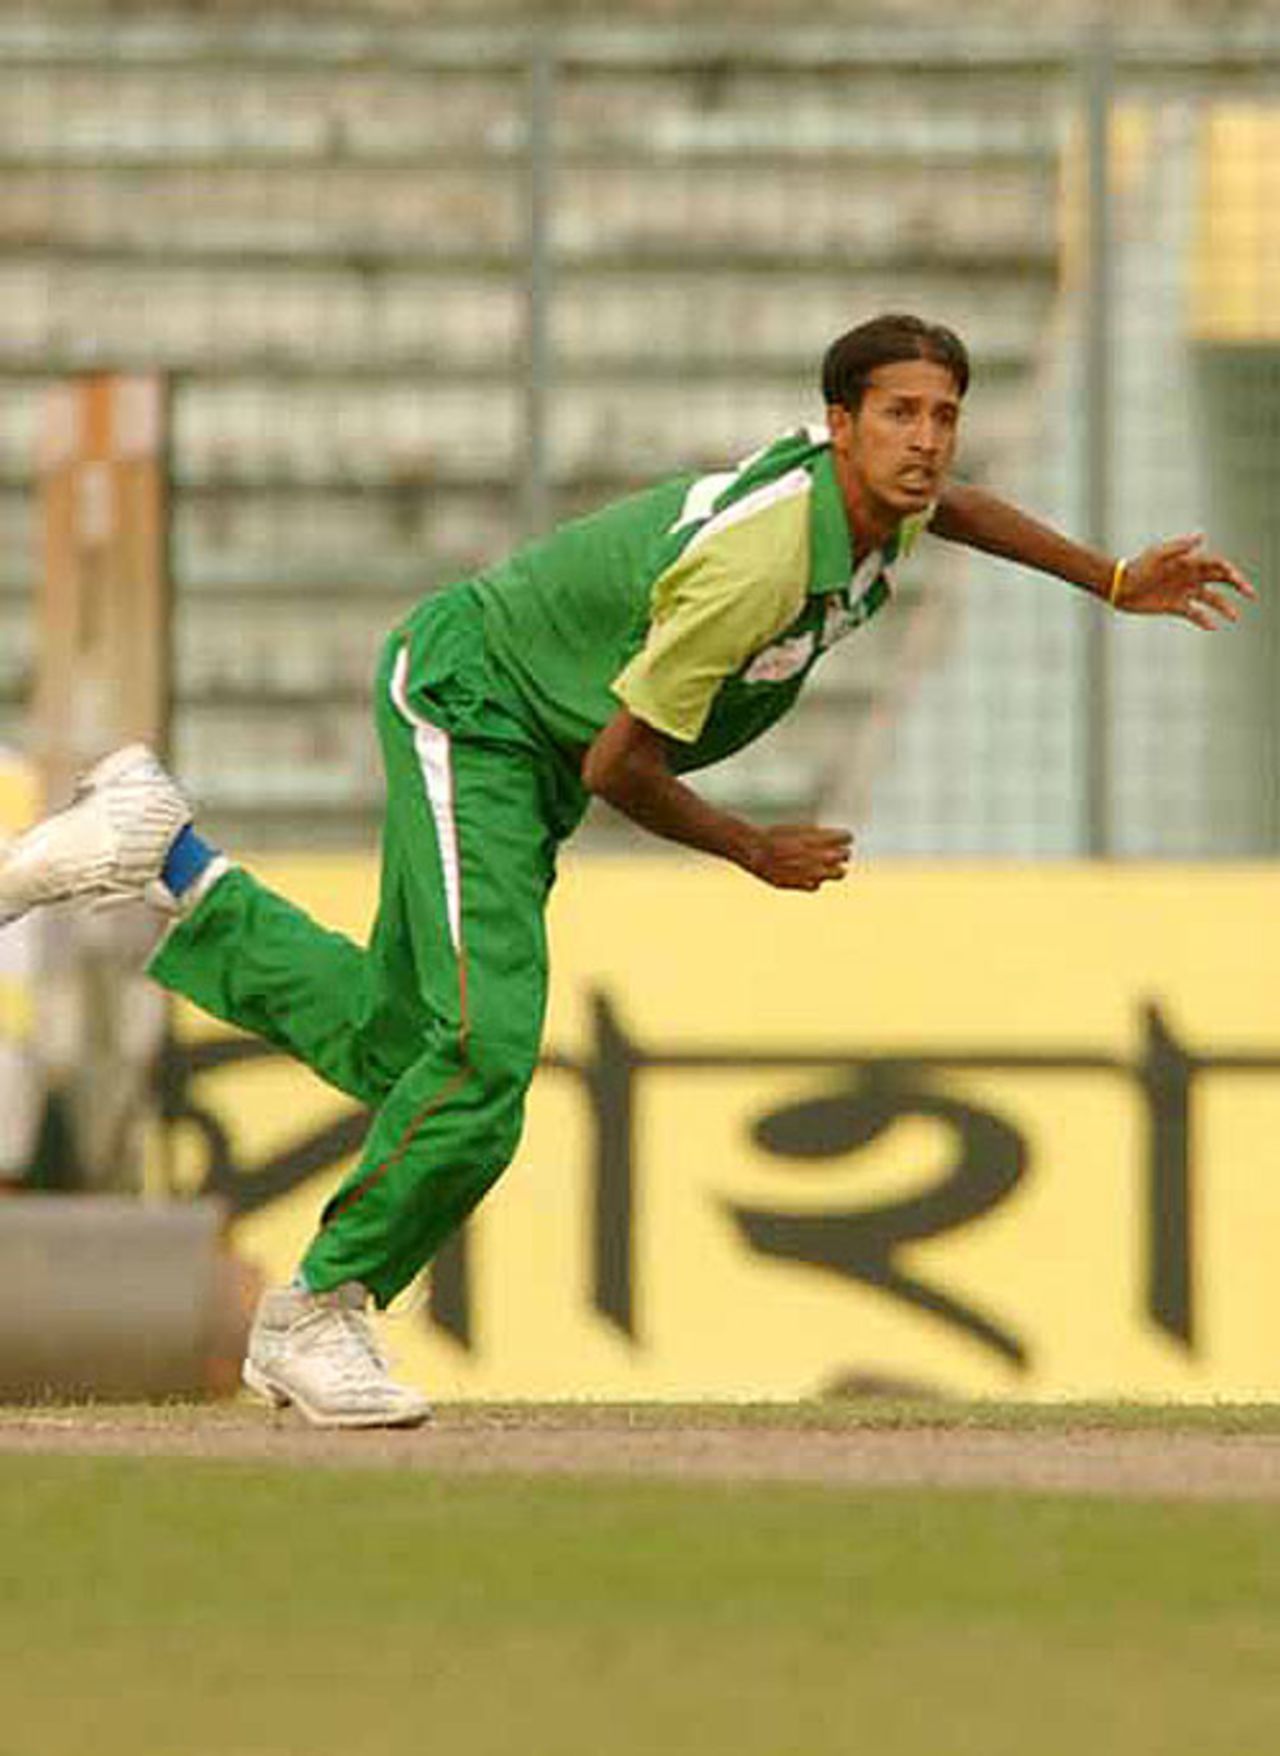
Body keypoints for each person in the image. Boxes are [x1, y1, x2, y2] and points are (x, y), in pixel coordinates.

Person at [0, 314, 1254, 1428]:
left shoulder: (881, 504)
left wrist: (1105, 577)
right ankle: (318, 1308)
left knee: (409, 1050)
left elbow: (956, 507)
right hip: (474, 704)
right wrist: (753, 848)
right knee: (485, 1061)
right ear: (837, 426)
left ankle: (160, 853)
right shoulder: (763, 565)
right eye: (898, 416)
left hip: (527, 742)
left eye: (943, 416)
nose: (927, 442)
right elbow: (620, 764)